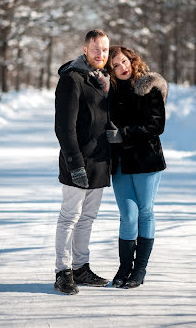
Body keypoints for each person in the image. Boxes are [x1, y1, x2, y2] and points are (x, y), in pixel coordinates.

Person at [106, 45, 168, 289]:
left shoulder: (149, 86)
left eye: (124, 61)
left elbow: (156, 125)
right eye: (115, 65)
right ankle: (124, 267)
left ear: (132, 59)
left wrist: (123, 134)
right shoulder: (108, 92)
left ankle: (139, 269)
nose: (122, 67)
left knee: (145, 212)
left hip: (146, 160)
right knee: (128, 215)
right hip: (120, 162)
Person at [54, 29, 111, 295]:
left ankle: (80, 268)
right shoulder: (72, 79)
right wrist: (75, 164)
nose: (102, 54)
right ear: (85, 50)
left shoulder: (103, 81)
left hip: (99, 161)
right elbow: (64, 128)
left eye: (106, 50)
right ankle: (63, 272)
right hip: (77, 160)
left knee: (87, 218)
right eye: (96, 49)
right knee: (70, 217)